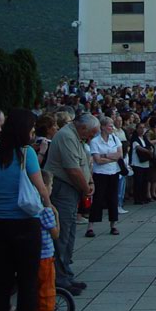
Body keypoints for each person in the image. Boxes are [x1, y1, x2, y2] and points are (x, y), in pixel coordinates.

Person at [0, 108, 54, 311]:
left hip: (0, 223)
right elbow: (41, 188)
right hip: (25, 223)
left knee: (2, 286)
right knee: (27, 284)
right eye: (31, 128)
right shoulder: (26, 153)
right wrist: (49, 207)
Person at [45, 113, 99, 294]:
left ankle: (66, 274)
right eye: (91, 134)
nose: (91, 138)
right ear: (83, 128)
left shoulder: (76, 137)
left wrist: (90, 182)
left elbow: (83, 165)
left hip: (71, 189)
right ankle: (60, 278)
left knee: (69, 233)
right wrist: (86, 188)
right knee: (63, 234)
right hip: (63, 188)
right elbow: (72, 169)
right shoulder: (66, 136)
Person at [36, 169, 64, 311]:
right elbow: (55, 233)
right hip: (45, 256)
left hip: (33, 256)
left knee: (34, 290)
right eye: (51, 185)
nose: (52, 188)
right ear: (44, 187)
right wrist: (57, 216)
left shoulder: (32, 208)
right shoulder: (45, 211)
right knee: (46, 291)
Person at [85, 116, 123, 238]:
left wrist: (105, 155)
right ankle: (90, 227)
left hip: (114, 172)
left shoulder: (115, 139)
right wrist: (111, 157)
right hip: (100, 173)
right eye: (110, 126)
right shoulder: (95, 141)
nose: (112, 128)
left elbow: (119, 155)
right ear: (103, 127)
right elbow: (97, 160)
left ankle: (113, 225)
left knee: (113, 199)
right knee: (98, 199)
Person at [129, 122, 152, 204]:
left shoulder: (144, 138)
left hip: (145, 162)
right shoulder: (135, 138)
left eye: (143, 128)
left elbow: (150, 145)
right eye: (140, 128)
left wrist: (151, 149)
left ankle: (143, 197)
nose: (142, 130)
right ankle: (137, 198)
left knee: (145, 181)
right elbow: (138, 147)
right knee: (138, 181)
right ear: (136, 129)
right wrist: (148, 151)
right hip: (137, 163)